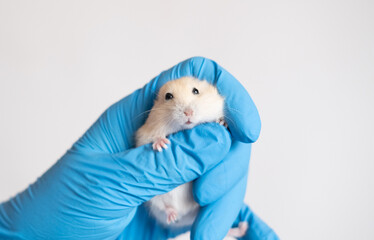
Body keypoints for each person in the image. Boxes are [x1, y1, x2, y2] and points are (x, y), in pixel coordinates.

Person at [0, 57, 279, 240]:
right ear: (158, 102)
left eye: (194, 94)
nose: (188, 110)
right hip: (165, 206)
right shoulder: (155, 120)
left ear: (206, 91)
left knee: (213, 204)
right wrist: (154, 143)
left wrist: (224, 124)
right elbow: (144, 137)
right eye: (171, 98)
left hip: (194, 202)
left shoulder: (214, 107)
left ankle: (229, 227)